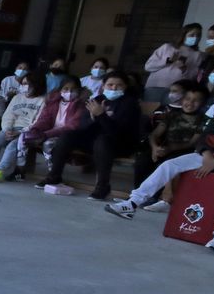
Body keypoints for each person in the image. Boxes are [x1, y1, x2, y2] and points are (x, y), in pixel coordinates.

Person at [104, 82, 214, 252]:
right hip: (210, 155)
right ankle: (132, 203)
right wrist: (207, 155)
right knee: (170, 164)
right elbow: (204, 138)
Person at [40, 72, 142, 200]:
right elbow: (82, 125)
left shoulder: (130, 104)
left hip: (120, 143)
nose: (114, 88)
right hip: (94, 141)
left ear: (125, 87)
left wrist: (101, 116)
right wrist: (93, 118)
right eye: (110, 85)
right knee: (68, 136)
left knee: (102, 140)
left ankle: (103, 187)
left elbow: (118, 132)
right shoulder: (97, 100)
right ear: (104, 85)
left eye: (119, 85)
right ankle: (54, 176)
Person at [139, 83, 208, 209]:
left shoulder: (204, 120)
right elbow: (154, 134)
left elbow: (192, 142)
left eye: (196, 101)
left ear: (203, 103)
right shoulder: (171, 115)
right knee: (143, 160)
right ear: (182, 100)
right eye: (188, 99)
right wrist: (155, 148)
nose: (190, 103)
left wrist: (169, 149)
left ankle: (159, 198)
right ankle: (139, 194)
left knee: (170, 162)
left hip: (186, 151)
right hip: (164, 148)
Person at [25, 77, 91, 190]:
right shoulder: (53, 102)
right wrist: (35, 129)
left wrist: (46, 134)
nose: (69, 92)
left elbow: (72, 125)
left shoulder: (82, 105)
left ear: (79, 90)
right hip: (50, 132)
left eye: (73, 89)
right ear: (60, 90)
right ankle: (20, 170)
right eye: (66, 89)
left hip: (69, 135)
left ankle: (53, 175)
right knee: (24, 138)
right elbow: (44, 119)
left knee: (48, 143)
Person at [142, 24, 204, 102]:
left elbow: (193, 77)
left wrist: (184, 69)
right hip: (155, 86)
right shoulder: (167, 47)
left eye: (198, 35)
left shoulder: (197, 55)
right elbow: (148, 67)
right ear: (184, 35)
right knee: (149, 111)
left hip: (177, 90)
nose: (195, 38)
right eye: (192, 35)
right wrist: (167, 61)